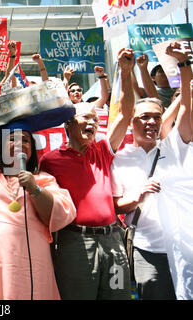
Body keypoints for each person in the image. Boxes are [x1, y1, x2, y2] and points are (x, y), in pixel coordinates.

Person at [0, 80, 76, 300]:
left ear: (32, 149)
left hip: (31, 265)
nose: (21, 143)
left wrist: (34, 188)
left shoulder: (44, 180)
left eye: (26, 140)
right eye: (13, 139)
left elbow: (58, 214)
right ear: (0, 146)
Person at [39, 48, 136, 300]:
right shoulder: (50, 161)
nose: (93, 123)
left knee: (118, 296)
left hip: (113, 242)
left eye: (95, 119)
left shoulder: (103, 149)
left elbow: (125, 114)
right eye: (86, 118)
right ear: (68, 124)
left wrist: (125, 72)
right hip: (75, 246)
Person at [111, 42, 192, 300]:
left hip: (185, 247)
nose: (152, 122)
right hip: (146, 251)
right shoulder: (120, 159)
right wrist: (137, 196)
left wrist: (183, 64)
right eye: (144, 117)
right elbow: (116, 206)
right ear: (130, 120)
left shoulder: (174, 145)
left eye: (157, 117)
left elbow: (186, 105)